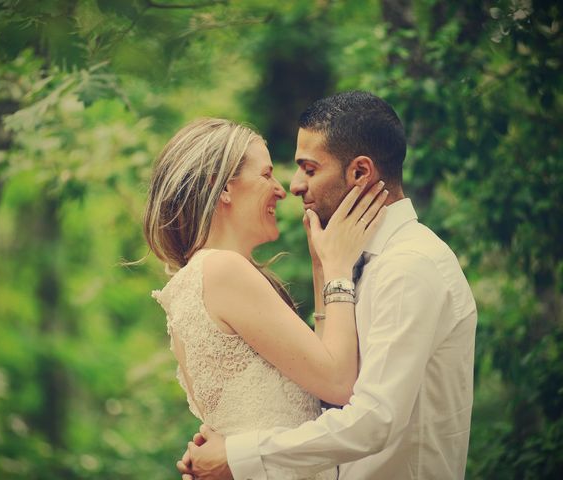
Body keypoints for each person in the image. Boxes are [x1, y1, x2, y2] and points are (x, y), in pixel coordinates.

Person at [178, 91, 478, 479]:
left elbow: (375, 419)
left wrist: (239, 455)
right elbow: (327, 398)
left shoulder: (409, 267)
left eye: (309, 168)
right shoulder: (357, 260)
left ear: (359, 173)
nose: (295, 185)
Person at [144, 117, 388, 480]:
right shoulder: (224, 270)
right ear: (222, 187)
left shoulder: (197, 278)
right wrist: (338, 271)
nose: (281, 189)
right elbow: (340, 384)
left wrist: (321, 271)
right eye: (266, 174)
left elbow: (317, 378)